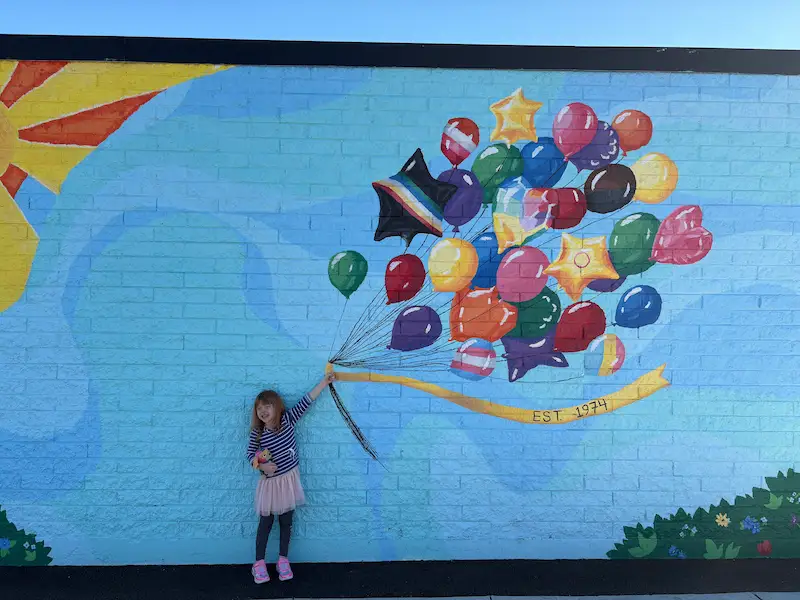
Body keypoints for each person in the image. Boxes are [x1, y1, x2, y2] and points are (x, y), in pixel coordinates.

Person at [246, 371, 335, 584]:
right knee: (265, 524)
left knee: (286, 522)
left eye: (267, 406)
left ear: (277, 407)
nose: (263, 411)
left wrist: (324, 382)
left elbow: (307, 400)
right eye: (259, 408)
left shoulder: (288, 420)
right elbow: (250, 455)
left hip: (288, 482)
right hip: (270, 486)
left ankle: (282, 560)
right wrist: (263, 467)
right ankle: (258, 563)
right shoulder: (257, 434)